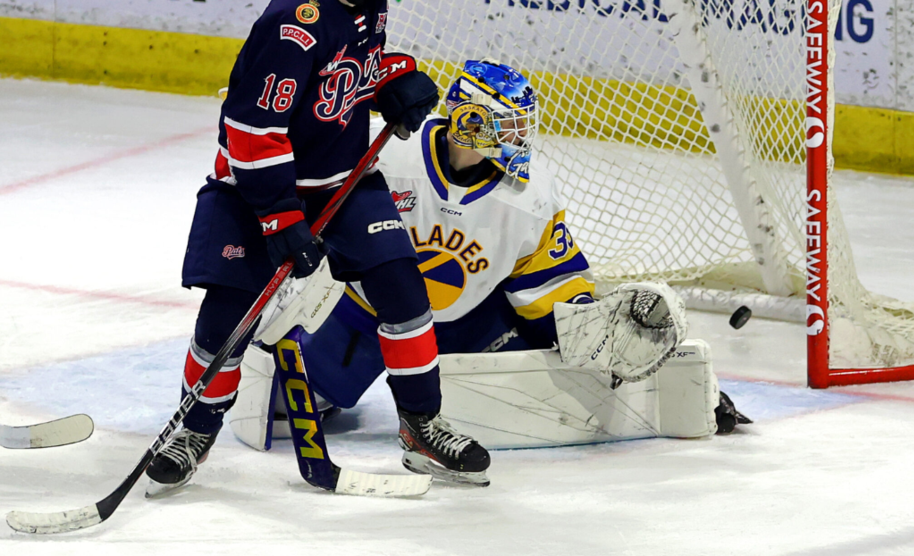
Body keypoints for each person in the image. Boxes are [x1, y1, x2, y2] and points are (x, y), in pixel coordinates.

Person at [145, 0, 490, 496]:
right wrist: (281, 220)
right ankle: (192, 428)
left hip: (342, 181)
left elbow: (352, 72)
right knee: (228, 316)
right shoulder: (294, 22)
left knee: (404, 290)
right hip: (256, 190)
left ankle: (421, 424)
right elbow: (253, 131)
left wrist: (393, 81)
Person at [235, 59, 750, 454]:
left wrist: (593, 331)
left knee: (573, 375)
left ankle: (685, 388)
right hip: (371, 315)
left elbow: (553, 289)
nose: (520, 138)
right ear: (471, 123)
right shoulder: (392, 158)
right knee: (279, 409)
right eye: (507, 125)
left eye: (521, 125)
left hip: (475, 321)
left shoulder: (528, 196)